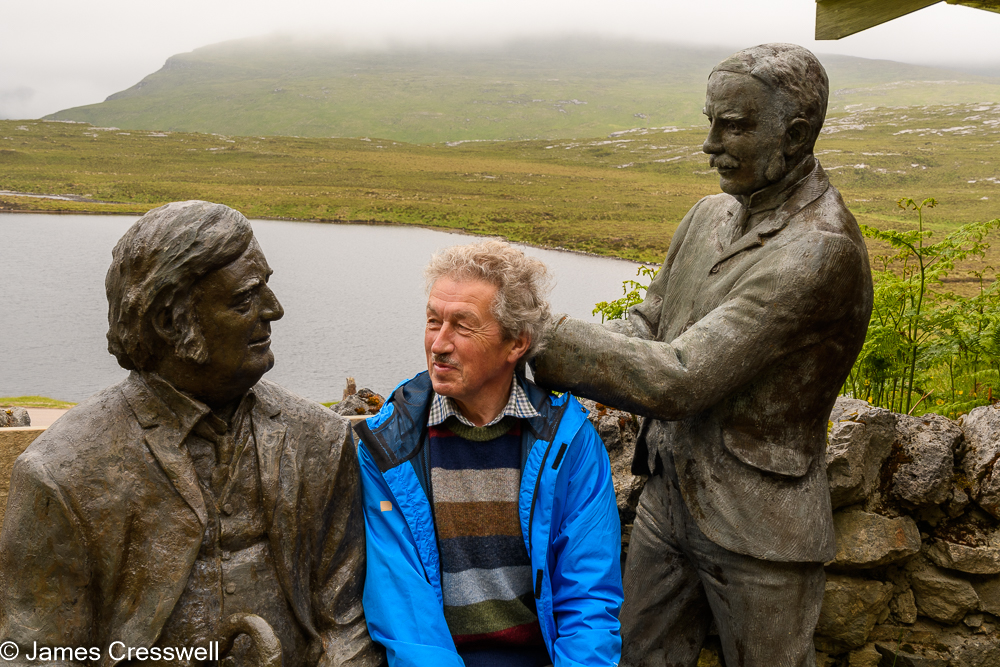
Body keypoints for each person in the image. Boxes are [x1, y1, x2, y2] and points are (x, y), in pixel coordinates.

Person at [531, 44, 874, 667]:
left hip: (760, 525)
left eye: (734, 126)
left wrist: (540, 339)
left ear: (795, 136)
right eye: (709, 120)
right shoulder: (706, 215)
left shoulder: (820, 251)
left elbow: (683, 378)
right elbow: (648, 322)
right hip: (668, 495)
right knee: (638, 657)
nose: (711, 143)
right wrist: (565, 346)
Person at [0, 201, 382, 667]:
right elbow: (38, 655)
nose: (274, 310)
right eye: (245, 299)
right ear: (169, 322)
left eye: (267, 288)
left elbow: (346, 622)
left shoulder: (320, 440)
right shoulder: (61, 475)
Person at [354, 240, 623, 667]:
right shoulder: (389, 443)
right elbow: (404, 610)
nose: (438, 344)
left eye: (462, 326)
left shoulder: (569, 441)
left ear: (516, 343)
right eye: (432, 321)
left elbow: (589, 598)